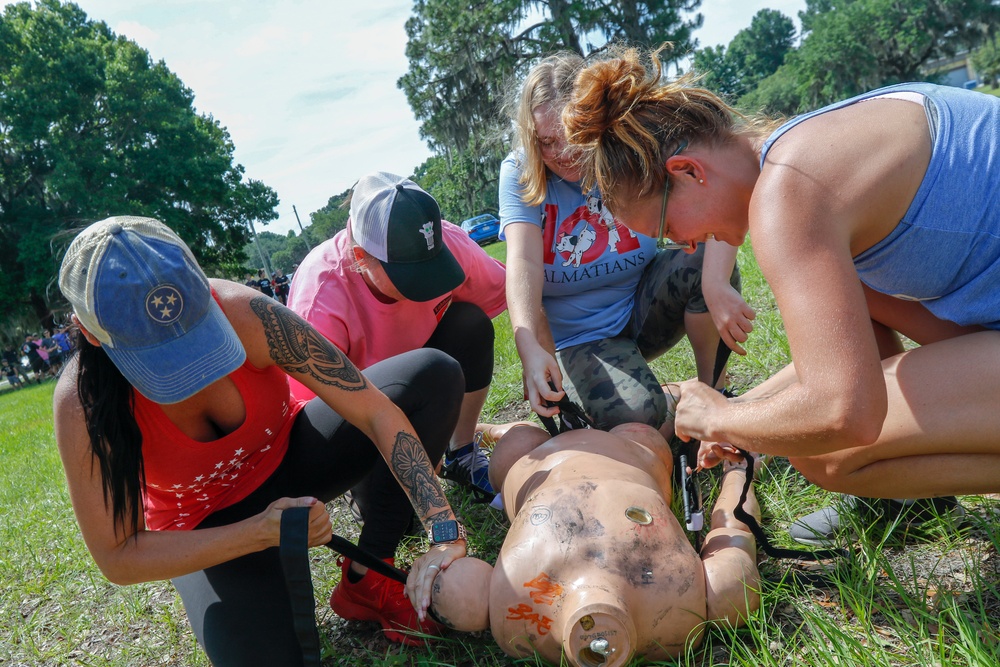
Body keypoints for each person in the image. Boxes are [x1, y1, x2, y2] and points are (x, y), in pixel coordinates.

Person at [560, 46, 1000, 535]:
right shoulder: (811, 144)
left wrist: (726, 419)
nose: (684, 247)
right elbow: (862, 347)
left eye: (667, 228)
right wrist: (742, 412)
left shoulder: (787, 194)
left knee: (826, 456)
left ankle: (906, 495)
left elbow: (844, 411)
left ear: (688, 172)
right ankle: (910, 501)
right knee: (859, 304)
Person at [54, 216, 470, 666]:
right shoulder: (84, 403)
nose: (193, 370)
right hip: (207, 526)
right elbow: (118, 555)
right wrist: (256, 534)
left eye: (198, 332)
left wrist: (445, 531)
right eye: (160, 359)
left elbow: (373, 409)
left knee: (432, 375)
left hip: (293, 457)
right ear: (90, 332)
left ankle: (368, 572)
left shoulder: (248, 313)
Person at [499, 52, 755, 435]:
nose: (561, 154)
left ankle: (716, 395)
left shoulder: (628, 145)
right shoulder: (520, 172)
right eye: (546, 142)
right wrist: (528, 345)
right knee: (640, 420)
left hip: (643, 308)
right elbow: (524, 263)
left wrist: (715, 282)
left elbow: (711, 197)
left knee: (703, 260)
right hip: (585, 338)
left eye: (569, 137)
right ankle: (666, 399)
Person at [424, 422, 761, 666]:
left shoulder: (514, 625)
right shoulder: (686, 616)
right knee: (642, 430)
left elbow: (457, 590)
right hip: (632, 451)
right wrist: (739, 472)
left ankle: (496, 430)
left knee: (517, 440)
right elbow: (733, 532)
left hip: (532, 461)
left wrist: (445, 577)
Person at [287, 172, 507, 500]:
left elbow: (512, 291)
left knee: (469, 324)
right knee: (396, 516)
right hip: (362, 411)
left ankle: (461, 449)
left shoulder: (450, 240)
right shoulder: (321, 295)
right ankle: (381, 477)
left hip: (432, 382)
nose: (426, 286)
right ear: (361, 258)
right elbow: (312, 416)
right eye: (410, 274)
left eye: (432, 265)